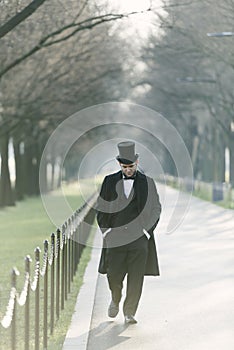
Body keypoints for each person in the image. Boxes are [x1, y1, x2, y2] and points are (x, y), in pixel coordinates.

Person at [96, 141, 161, 324]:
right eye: (125, 167)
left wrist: (146, 231)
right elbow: (101, 207)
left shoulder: (147, 183)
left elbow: (156, 208)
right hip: (115, 237)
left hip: (139, 239)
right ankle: (115, 298)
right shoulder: (109, 181)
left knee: (136, 276)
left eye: (131, 166)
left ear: (137, 163)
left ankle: (129, 312)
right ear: (120, 165)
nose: (128, 170)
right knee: (114, 274)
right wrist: (106, 231)